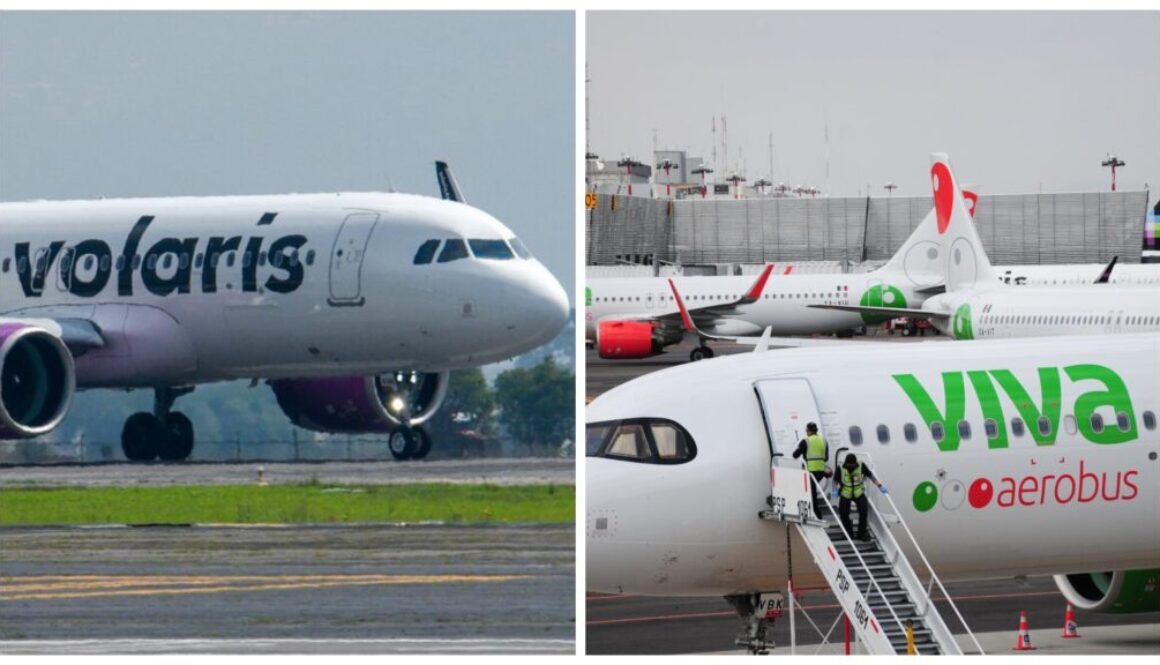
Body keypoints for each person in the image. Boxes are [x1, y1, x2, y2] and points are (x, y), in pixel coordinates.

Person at [836, 453, 887, 541]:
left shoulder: (860, 465)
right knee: (843, 513)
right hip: (845, 493)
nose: (852, 466)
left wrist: (880, 485)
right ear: (846, 463)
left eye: (853, 465)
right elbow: (835, 480)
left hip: (858, 492)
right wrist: (834, 491)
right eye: (850, 465)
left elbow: (870, 476)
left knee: (864, 510)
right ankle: (849, 533)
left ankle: (862, 533)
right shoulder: (841, 467)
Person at [791, 422, 829, 519]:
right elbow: (826, 458)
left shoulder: (806, 441)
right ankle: (814, 513)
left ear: (808, 431)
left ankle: (817, 515)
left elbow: (795, 455)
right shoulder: (823, 441)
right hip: (821, 472)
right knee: (811, 491)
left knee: (811, 494)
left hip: (810, 471)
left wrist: (803, 452)